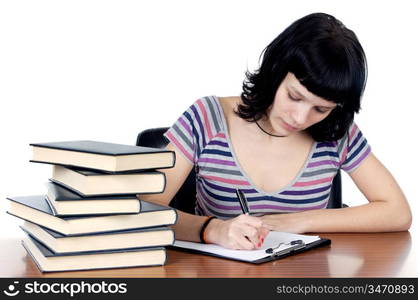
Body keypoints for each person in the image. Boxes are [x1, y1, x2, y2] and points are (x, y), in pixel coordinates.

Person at [140, 12, 412, 250]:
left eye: (321, 109)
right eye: (294, 96)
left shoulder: (337, 132)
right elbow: (143, 210)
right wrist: (211, 229)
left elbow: (398, 212)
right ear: (275, 72)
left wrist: (301, 220)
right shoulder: (207, 118)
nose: (301, 118)